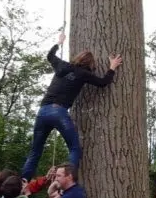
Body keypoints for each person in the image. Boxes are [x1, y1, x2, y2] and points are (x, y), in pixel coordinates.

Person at [21, 32, 122, 180]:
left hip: (43, 112)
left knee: (35, 151)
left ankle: (23, 184)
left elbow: (50, 56)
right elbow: (102, 83)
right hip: (59, 112)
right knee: (74, 148)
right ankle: (68, 181)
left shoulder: (62, 65)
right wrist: (112, 67)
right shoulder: (83, 73)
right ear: (90, 64)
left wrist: (59, 42)